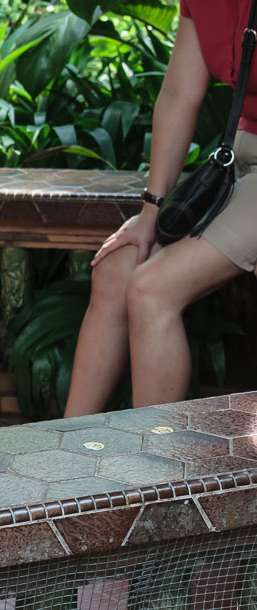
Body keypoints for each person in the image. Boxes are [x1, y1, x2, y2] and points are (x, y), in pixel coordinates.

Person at [65, 0, 257, 417]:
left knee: (153, 289)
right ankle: (65, 443)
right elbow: (178, 94)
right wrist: (150, 213)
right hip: (240, 154)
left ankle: (154, 453)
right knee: (119, 267)